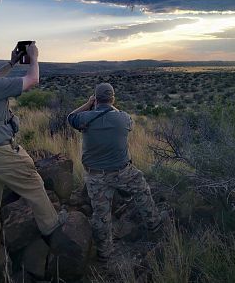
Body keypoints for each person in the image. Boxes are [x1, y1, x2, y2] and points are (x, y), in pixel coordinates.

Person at [0, 37, 61, 270]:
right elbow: (33, 79)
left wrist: (10, 64)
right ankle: (52, 229)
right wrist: (34, 57)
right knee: (34, 185)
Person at [67, 83, 163, 262]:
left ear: (95, 99)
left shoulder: (84, 118)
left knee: (101, 214)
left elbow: (70, 117)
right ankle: (154, 224)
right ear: (113, 98)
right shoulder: (124, 118)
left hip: (95, 176)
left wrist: (88, 104)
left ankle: (105, 253)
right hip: (123, 172)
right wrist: (110, 106)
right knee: (142, 190)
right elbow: (122, 118)